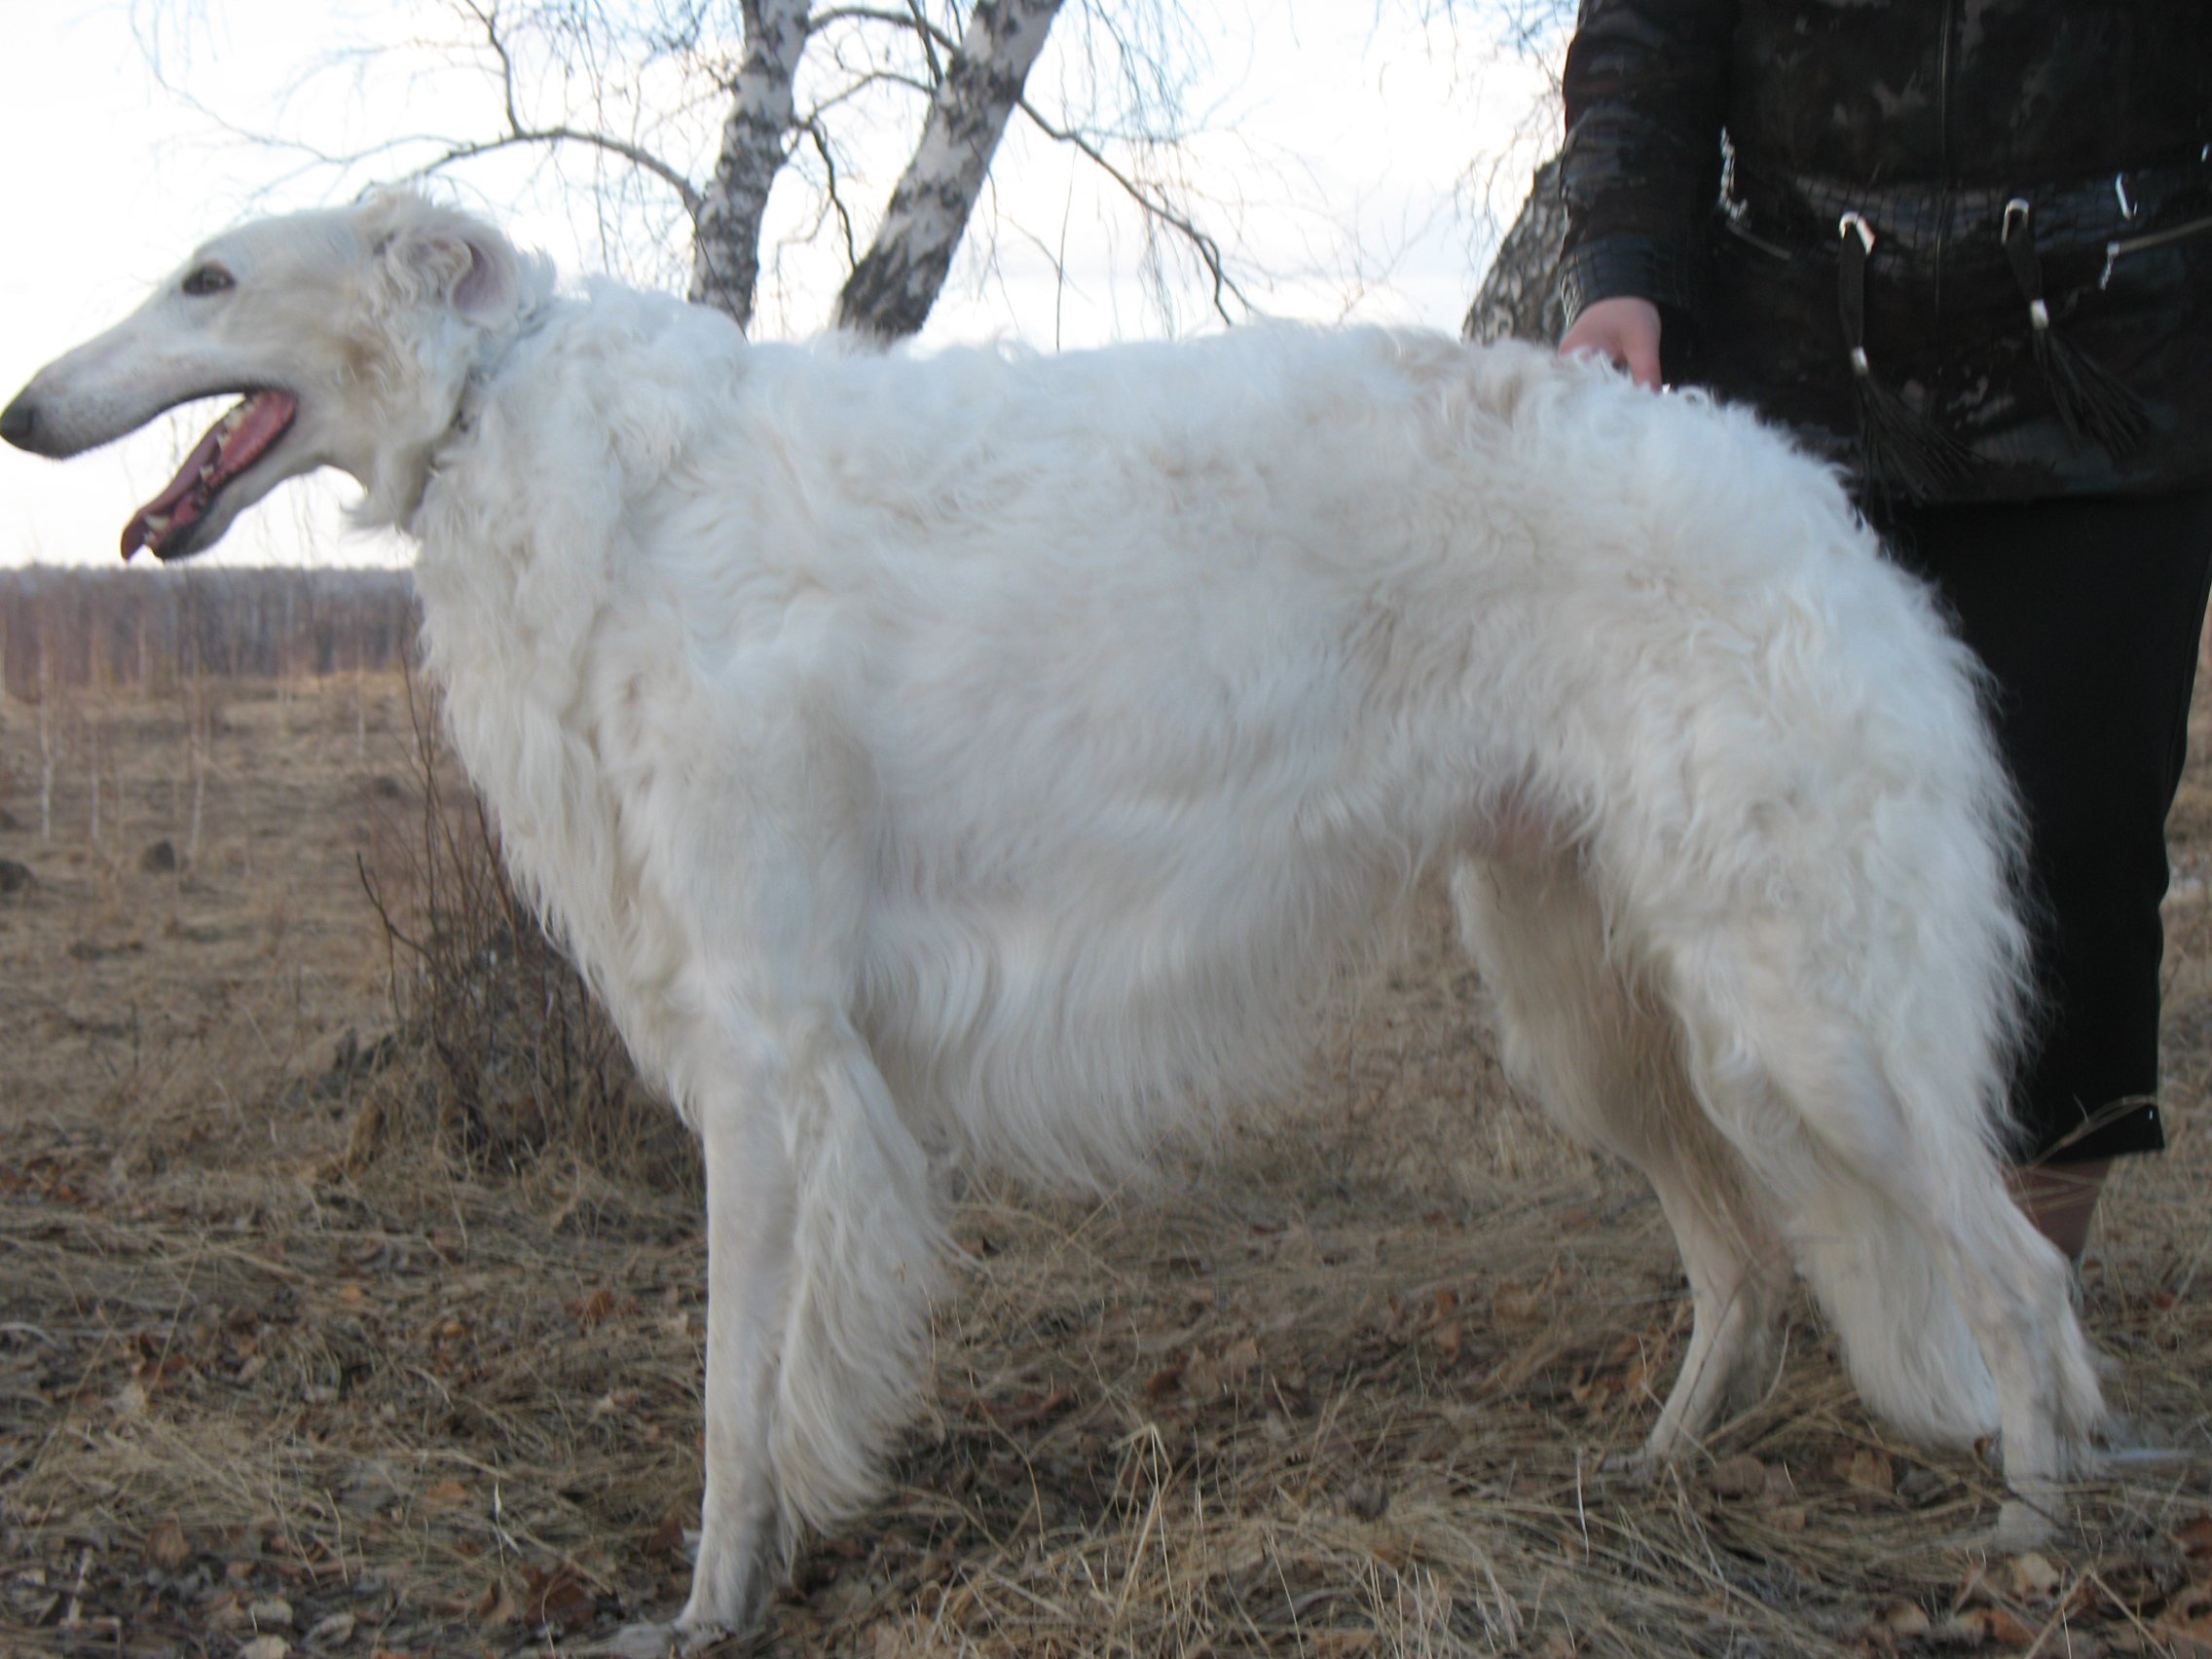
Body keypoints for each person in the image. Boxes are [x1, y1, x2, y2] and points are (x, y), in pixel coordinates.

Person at [1553, 1, 2212, 1260]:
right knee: (1784, 855)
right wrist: (1626, 264)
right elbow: (1649, 29)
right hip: (1795, 369)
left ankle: (2023, 1309)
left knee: (2071, 848)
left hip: (2121, 362)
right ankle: (1872, 1274)